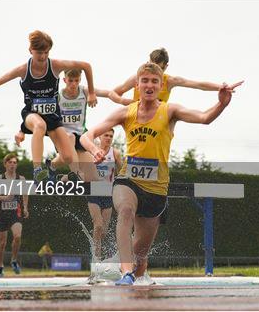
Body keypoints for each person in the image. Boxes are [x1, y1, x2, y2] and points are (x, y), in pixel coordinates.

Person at [81, 62, 236, 285]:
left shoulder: (170, 110)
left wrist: (221, 104)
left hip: (156, 189)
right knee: (124, 211)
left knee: (141, 257)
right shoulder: (126, 112)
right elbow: (87, 135)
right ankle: (125, 271)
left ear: (161, 85)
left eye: (154, 81)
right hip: (129, 180)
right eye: (145, 80)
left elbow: (204, 118)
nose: (149, 85)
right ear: (137, 84)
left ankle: (126, 270)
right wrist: (94, 149)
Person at [0, 30, 97, 182]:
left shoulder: (55, 65)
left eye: (46, 52)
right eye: (39, 53)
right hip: (32, 113)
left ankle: (50, 166)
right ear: (31, 50)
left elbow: (86, 66)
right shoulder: (23, 70)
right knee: (40, 125)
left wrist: (91, 92)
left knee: (68, 156)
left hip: (53, 116)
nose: (43, 57)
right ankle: (38, 170)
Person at [109, 48, 243, 105]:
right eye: (151, 65)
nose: (153, 71)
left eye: (158, 68)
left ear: (165, 67)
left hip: (158, 124)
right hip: (136, 123)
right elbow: (114, 93)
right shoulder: (137, 79)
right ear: (147, 62)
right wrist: (128, 103)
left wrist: (221, 87)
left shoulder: (170, 81)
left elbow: (198, 85)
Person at [0, 153, 29, 277]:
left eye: (14, 162)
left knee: (17, 236)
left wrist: (26, 208)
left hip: (15, 212)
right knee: (2, 242)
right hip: (2, 213)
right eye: (10, 162)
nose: (12, 165)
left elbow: (25, 194)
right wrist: (4, 198)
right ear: (5, 164)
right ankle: (0, 266)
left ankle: (13, 260)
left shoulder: (20, 178)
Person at [87, 129, 121, 261]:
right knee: (98, 225)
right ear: (100, 137)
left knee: (104, 231)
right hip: (94, 192)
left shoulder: (115, 153)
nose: (108, 138)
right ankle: (96, 259)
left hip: (108, 194)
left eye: (111, 136)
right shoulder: (91, 153)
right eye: (106, 135)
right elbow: (82, 170)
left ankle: (96, 248)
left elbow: (122, 172)